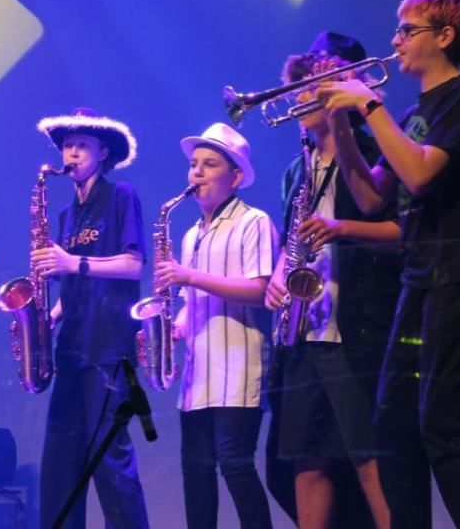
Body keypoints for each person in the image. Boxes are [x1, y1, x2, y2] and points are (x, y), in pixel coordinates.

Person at [316, 0, 460, 528]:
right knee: (392, 426)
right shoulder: (414, 111)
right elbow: (376, 197)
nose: (395, 40)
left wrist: (369, 103)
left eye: (407, 30)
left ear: (444, 36)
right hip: (420, 276)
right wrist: (340, 125)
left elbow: (420, 174)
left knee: (444, 424)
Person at [263, 32, 401, 529]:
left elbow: (395, 227)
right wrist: (279, 276)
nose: (302, 96)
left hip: (355, 326)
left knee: (369, 456)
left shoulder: (372, 148)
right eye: (299, 86)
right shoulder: (293, 172)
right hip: (306, 331)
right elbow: (289, 241)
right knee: (306, 458)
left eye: (313, 85)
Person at [154, 122, 277, 529]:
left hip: (240, 369)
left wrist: (188, 277)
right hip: (199, 373)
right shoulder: (191, 235)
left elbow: (261, 289)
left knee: (236, 466)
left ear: (236, 177)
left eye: (210, 164)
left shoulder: (253, 221)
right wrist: (175, 327)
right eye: (194, 165)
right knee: (196, 472)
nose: (198, 173)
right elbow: (193, 303)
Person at [32, 108, 150, 528]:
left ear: (103, 152)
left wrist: (73, 262)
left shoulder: (122, 197)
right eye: (67, 145)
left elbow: (133, 265)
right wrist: (46, 318)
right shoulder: (65, 216)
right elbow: (72, 284)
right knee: (60, 466)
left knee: (110, 463)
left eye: (82, 145)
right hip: (72, 351)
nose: (73, 153)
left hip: (107, 346)